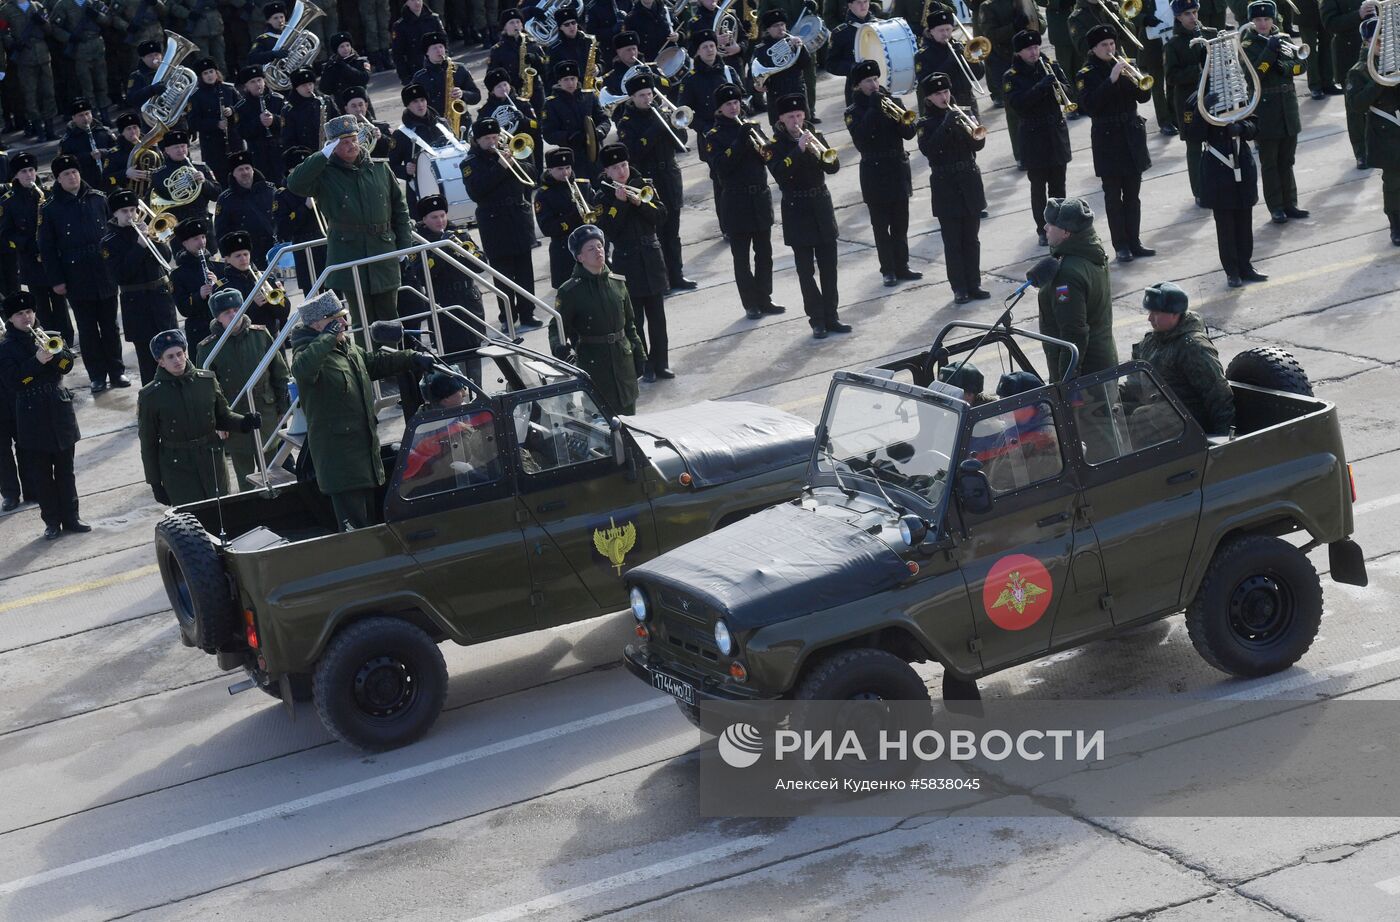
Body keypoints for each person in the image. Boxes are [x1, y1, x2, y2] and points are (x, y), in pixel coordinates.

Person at [289, 291, 432, 530]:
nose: (343, 324)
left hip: (363, 454)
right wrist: (328, 336)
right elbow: (302, 371)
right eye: (336, 319)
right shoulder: (307, 353)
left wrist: (412, 357)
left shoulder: (345, 348)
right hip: (340, 462)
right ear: (316, 324)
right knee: (356, 531)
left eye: (343, 318)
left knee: (372, 524)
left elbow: (373, 363)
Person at [287, 114, 414, 340]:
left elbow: (400, 209)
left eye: (354, 139)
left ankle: (397, 369)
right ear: (333, 146)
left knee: (389, 317)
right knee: (362, 320)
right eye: (343, 143)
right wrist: (323, 155)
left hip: (383, 251)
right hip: (349, 252)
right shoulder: (324, 173)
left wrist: (404, 247)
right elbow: (295, 183)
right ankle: (371, 369)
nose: (351, 146)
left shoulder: (380, 168)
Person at [38, 154, 128, 394]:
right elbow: (46, 249)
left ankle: (117, 371)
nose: (72, 176)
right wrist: (56, 280)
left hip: (105, 272)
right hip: (76, 276)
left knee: (110, 326)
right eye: (66, 174)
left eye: (74, 172)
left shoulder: (98, 199)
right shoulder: (50, 209)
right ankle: (97, 376)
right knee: (88, 331)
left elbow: (114, 233)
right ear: (58, 178)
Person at [139, 328, 259, 506]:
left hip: (211, 459)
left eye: (180, 354)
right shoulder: (151, 395)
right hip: (178, 467)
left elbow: (222, 416)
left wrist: (244, 423)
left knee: (222, 511)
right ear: (160, 361)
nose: (177, 360)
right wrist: (155, 483)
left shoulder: (207, 381)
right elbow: (148, 443)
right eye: (170, 356)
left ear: (186, 353)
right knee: (193, 518)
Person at [0, 294, 87, 539]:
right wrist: (36, 362)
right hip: (30, 413)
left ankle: (72, 517)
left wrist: (55, 355)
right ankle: (51, 522)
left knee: (66, 469)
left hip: (58, 408)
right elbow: (14, 382)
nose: (26, 317)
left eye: (29, 311)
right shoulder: (6, 348)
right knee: (41, 474)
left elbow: (67, 366)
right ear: (10, 319)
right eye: (19, 314)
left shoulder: (52, 336)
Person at [766, 93, 848, 339]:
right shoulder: (774, 146)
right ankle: (816, 319)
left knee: (829, 267)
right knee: (805, 271)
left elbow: (832, 167)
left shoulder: (815, 136)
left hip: (821, 206)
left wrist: (813, 148)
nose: (796, 120)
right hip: (797, 210)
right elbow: (780, 173)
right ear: (781, 119)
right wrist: (798, 151)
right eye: (791, 116)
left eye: (800, 115)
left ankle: (832, 316)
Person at [703, 82, 785, 319]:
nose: (733, 107)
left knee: (764, 253)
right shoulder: (714, 136)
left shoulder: (753, 127)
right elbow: (721, 167)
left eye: (736, 102)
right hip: (736, 201)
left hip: (759, 197)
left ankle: (765, 298)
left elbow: (768, 155)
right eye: (728, 104)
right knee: (742, 258)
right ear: (719, 109)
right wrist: (739, 141)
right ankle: (750, 303)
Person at [591, 143, 673, 378]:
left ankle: (661, 362)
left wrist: (639, 203)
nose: (622, 171)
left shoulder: (643, 185)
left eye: (624, 165)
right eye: (616, 167)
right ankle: (643, 365)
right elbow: (608, 230)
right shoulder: (602, 196)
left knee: (658, 316)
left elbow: (661, 215)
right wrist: (620, 203)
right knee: (634, 320)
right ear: (607, 171)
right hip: (627, 260)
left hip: (651, 255)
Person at [196, 287, 290, 490]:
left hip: (266, 412)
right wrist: (218, 423)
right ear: (218, 318)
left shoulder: (260, 334)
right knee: (245, 477)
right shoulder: (208, 348)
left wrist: (284, 406)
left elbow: (280, 372)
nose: (233, 315)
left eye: (237, 309)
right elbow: (205, 392)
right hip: (235, 419)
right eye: (227, 312)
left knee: (275, 472)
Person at [1076, 24, 1156, 262]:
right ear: (1094, 48)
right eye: (1104, 45)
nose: (1110, 49)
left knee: (1133, 195)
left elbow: (1144, 95)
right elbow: (1089, 106)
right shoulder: (1086, 74)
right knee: (1113, 197)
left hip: (1131, 135)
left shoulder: (1125, 64)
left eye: (1112, 44)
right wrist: (1110, 80)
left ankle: (1135, 241)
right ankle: (1120, 245)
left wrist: (1133, 76)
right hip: (1107, 139)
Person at [549, 224, 647, 415]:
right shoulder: (570, 292)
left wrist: (639, 354)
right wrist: (558, 348)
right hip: (594, 364)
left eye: (600, 246)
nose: (598, 251)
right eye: (591, 249)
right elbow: (556, 328)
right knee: (601, 422)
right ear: (580, 257)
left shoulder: (617, 283)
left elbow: (629, 325)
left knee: (631, 421)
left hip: (623, 361)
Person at [615, 71, 696, 291]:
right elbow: (632, 153)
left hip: (669, 177)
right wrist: (654, 130)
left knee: (673, 232)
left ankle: (677, 274)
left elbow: (682, 142)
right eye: (642, 95)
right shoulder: (626, 122)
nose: (647, 99)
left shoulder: (661, 113)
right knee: (656, 233)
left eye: (649, 94)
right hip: (648, 182)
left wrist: (673, 126)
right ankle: (663, 280)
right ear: (632, 97)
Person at [845, 59, 922, 287]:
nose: (874, 84)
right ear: (858, 86)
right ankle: (887, 270)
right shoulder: (853, 111)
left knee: (901, 223)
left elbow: (909, 133)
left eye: (876, 79)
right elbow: (862, 138)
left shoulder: (892, 101)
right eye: (868, 81)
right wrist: (873, 109)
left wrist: (897, 116)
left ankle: (903, 266)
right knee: (881, 226)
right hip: (874, 172)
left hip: (897, 168)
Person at [463, 113, 542, 331]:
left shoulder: (512, 151)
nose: (492, 142)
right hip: (494, 222)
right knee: (503, 273)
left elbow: (532, 176)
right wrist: (500, 166)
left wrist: (516, 161)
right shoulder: (469, 163)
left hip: (518, 216)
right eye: (486, 139)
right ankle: (507, 316)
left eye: (494, 137)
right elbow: (477, 191)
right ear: (477, 141)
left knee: (525, 270)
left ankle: (528, 313)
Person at [1182, 90, 1267, 286]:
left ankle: (1246, 266)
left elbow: (1256, 126)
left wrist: (1242, 128)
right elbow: (1192, 135)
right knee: (1225, 224)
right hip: (1217, 167)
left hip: (1242, 161)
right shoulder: (1195, 99)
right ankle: (1232, 271)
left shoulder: (1237, 91)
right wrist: (1202, 111)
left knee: (1245, 219)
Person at [918, 72, 990, 304]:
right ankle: (959, 287)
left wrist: (970, 128)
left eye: (946, 91)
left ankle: (974, 283)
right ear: (929, 98)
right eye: (938, 93)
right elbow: (929, 150)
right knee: (953, 241)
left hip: (969, 179)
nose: (944, 96)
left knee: (972, 238)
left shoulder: (965, 112)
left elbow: (978, 144)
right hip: (945, 184)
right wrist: (946, 126)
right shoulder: (925, 124)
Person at [1130, 281, 1234, 435]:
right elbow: (1135, 382)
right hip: (1161, 409)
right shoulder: (1152, 341)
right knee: (1115, 413)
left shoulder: (1193, 347)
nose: (1150, 318)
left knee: (1142, 417)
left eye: (1156, 313)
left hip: (1188, 420)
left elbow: (1218, 395)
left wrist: (1222, 440)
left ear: (1175, 314)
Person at [102, 189, 181, 385]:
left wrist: (153, 237)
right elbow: (120, 275)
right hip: (136, 303)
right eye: (124, 211)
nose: (130, 215)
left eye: (133, 210)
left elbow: (166, 258)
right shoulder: (108, 242)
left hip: (161, 298)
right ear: (115, 214)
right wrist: (139, 247)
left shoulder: (148, 229)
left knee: (173, 349)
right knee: (147, 359)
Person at [1241, 1, 1310, 224]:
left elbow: (1301, 66)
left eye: (1267, 19)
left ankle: (1291, 203)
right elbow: (1255, 75)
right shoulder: (1248, 44)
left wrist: (1287, 67)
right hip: (1266, 107)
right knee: (1269, 162)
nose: (1263, 23)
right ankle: (1276, 207)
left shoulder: (1285, 40)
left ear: (1273, 20)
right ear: (1252, 21)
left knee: (1287, 159)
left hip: (1287, 105)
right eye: (1258, 20)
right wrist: (1270, 52)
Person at [1037, 197, 1117, 381]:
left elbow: (1073, 332)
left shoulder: (1067, 274)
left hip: (1084, 374)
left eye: (1050, 224)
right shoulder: (1091, 250)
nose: (1045, 228)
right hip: (1102, 361)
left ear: (1066, 232)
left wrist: (1065, 380)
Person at [0, 154, 75, 344]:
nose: (29, 175)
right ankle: (47, 341)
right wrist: (26, 244)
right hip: (30, 260)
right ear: (15, 175)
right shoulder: (8, 201)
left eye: (32, 170)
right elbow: (6, 233)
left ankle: (65, 340)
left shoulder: (48, 194)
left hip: (53, 259)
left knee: (60, 302)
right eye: (23, 171)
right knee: (39, 305)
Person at [1007, 30, 1072, 246]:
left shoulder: (1050, 65)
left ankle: (1060, 226)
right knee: (1038, 188)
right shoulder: (1012, 76)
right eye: (1028, 49)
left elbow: (1069, 93)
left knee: (1059, 185)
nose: (1034, 52)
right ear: (1019, 52)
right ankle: (1042, 229)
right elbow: (1018, 105)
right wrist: (1039, 88)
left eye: (1036, 47)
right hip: (1033, 136)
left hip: (1055, 131)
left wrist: (1058, 86)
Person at [1347, 16, 1400, 245]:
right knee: (1394, 184)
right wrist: (1379, 80)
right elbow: (1356, 105)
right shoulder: (1359, 71)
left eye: (1384, 40)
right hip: (1384, 131)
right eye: (1375, 41)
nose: (1381, 44)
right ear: (1366, 43)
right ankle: (1396, 226)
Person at [1164, 0, 1212, 204]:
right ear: (1177, 17)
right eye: (1187, 14)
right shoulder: (1173, 44)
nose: (1193, 17)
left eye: (1194, 12)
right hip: (1188, 102)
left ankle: (1217, 185)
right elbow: (1171, 77)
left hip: (1212, 97)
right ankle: (1200, 191)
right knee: (1194, 147)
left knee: (1218, 142)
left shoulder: (1209, 34)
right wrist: (1199, 70)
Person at [1324, 0, 1380, 167]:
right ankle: (1362, 152)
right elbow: (1330, 24)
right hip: (1349, 55)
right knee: (1355, 110)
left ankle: (1381, 147)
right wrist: (1358, 15)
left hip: (1379, 51)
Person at [535, 147, 597, 289]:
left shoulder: (583, 184)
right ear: (550, 170)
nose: (565, 173)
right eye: (560, 169)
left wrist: (588, 208)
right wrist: (573, 217)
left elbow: (598, 213)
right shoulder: (543, 195)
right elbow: (547, 228)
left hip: (589, 247)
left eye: (568, 167)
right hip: (563, 251)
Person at [541, 59, 612, 182]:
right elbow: (548, 133)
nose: (570, 83)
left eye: (573, 78)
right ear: (559, 81)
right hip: (571, 158)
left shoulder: (589, 96)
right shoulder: (551, 104)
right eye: (566, 79)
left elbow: (604, 119)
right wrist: (569, 137)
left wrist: (599, 132)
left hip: (595, 155)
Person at [0, 0, 59, 140]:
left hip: (43, 56)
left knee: (48, 93)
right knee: (29, 95)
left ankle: (50, 129)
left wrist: (43, 22)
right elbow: (2, 33)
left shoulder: (37, 6)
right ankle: (39, 131)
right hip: (24, 58)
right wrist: (13, 43)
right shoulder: (6, 10)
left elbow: (50, 30)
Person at [49, 0, 116, 120]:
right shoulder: (63, 5)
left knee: (101, 82)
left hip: (97, 46)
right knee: (86, 85)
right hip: (79, 49)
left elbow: (108, 20)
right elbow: (54, 27)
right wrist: (69, 37)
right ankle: (92, 117)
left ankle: (105, 115)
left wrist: (97, 15)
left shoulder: (94, 2)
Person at [915, 8, 987, 115]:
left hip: (968, 102)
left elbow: (978, 75)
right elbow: (925, 83)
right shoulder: (923, 55)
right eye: (941, 30)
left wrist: (970, 59)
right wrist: (950, 62)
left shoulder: (961, 46)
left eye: (948, 29)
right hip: (942, 106)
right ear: (931, 32)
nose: (945, 34)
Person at [215, 149, 278, 267]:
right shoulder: (225, 199)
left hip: (273, 250)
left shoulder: (270, 190)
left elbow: (281, 217)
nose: (245, 172)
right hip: (246, 255)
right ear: (233, 173)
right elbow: (221, 233)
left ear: (253, 170)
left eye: (247, 168)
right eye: (240, 170)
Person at [186, 57, 244, 184]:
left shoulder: (229, 89)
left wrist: (232, 110)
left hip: (234, 141)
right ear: (201, 76)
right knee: (221, 179)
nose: (209, 76)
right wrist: (215, 124)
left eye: (211, 71)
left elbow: (243, 107)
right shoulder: (196, 96)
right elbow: (193, 122)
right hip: (212, 145)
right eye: (205, 73)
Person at [752, 9, 815, 124]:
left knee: (805, 126)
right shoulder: (761, 49)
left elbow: (806, 64)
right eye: (776, 26)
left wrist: (800, 48)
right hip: (777, 95)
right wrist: (758, 86)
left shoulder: (793, 42)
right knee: (780, 130)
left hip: (796, 90)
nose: (781, 28)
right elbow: (755, 75)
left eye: (782, 24)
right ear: (768, 29)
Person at [150, 130, 224, 227]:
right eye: (176, 147)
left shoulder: (200, 168)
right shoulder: (159, 174)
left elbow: (217, 195)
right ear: (167, 150)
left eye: (183, 146)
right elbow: (151, 201)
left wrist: (204, 182)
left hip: (202, 221)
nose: (181, 150)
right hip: (177, 225)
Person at [232, 65, 289, 184]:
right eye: (252, 82)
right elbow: (241, 132)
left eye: (259, 80)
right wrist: (258, 122)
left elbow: (289, 123)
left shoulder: (278, 99)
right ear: (246, 86)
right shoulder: (241, 107)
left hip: (280, 151)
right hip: (258, 155)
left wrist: (274, 120)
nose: (257, 84)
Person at [411, 31, 481, 124]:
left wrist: (463, 94)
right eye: (434, 48)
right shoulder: (420, 78)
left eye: (441, 46)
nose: (439, 50)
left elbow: (476, 96)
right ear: (427, 53)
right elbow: (414, 107)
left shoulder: (459, 69)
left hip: (462, 122)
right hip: (436, 125)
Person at [171, 218, 221, 346]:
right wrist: (199, 295)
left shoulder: (217, 265)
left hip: (223, 324)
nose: (202, 242)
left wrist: (217, 284)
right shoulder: (178, 274)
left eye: (203, 237)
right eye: (196, 239)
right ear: (185, 243)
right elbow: (183, 309)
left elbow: (232, 290)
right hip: (199, 330)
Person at [825, 0, 882, 104]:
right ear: (850, 5)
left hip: (882, 86)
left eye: (865, 1)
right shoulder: (841, 33)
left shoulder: (880, 26)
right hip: (856, 90)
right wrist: (854, 68)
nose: (863, 5)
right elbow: (831, 64)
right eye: (858, 2)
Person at [57, 99, 118, 191]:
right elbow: (65, 164)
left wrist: (103, 152)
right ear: (73, 118)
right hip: (86, 184)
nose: (85, 118)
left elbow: (117, 150)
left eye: (87, 114)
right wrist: (89, 156)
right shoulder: (67, 141)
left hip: (110, 180)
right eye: (81, 115)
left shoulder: (104, 132)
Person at [280, 67, 340, 152]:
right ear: (296, 88)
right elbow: (288, 138)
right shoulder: (289, 110)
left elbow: (337, 120)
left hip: (330, 149)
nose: (308, 88)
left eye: (310, 84)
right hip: (305, 152)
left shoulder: (325, 100)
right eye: (304, 85)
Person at [392, 0, 447, 83]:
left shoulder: (433, 19)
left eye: (418, 0)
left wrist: (446, 63)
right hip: (416, 71)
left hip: (438, 68)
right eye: (413, 0)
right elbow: (397, 54)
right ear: (406, 3)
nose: (417, 3)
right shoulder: (400, 26)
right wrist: (405, 77)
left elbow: (444, 43)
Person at [170, 0, 229, 76]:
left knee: (220, 60)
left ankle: (222, 82)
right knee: (203, 62)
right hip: (198, 29)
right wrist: (188, 14)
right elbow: (172, 6)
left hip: (216, 27)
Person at [320, 32, 375, 108]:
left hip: (361, 104)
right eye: (341, 47)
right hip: (342, 104)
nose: (345, 49)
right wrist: (329, 70)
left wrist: (344, 66)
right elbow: (324, 89)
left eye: (347, 45)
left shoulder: (361, 61)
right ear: (336, 50)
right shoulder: (331, 66)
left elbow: (364, 79)